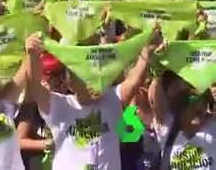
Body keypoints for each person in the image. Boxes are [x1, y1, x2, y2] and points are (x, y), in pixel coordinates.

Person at [25, 30, 160, 170]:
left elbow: (135, 79)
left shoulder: (113, 99)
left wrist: (148, 49)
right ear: (70, 82)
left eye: (93, 76)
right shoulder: (58, 106)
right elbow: (34, 84)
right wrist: (32, 55)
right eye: (84, 77)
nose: (91, 83)